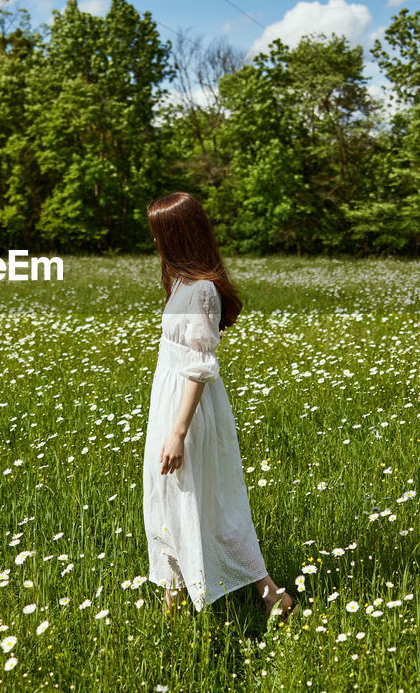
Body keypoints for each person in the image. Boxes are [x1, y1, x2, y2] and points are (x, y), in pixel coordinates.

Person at [142, 191, 296, 622]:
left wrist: (177, 432)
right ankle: (174, 604)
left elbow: (199, 366)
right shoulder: (180, 283)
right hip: (168, 405)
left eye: (159, 233)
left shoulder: (204, 291)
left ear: (178, 234)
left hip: (188, 414)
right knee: (166, 503)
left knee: (207, 505)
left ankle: (273, 597)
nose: (155, 242)